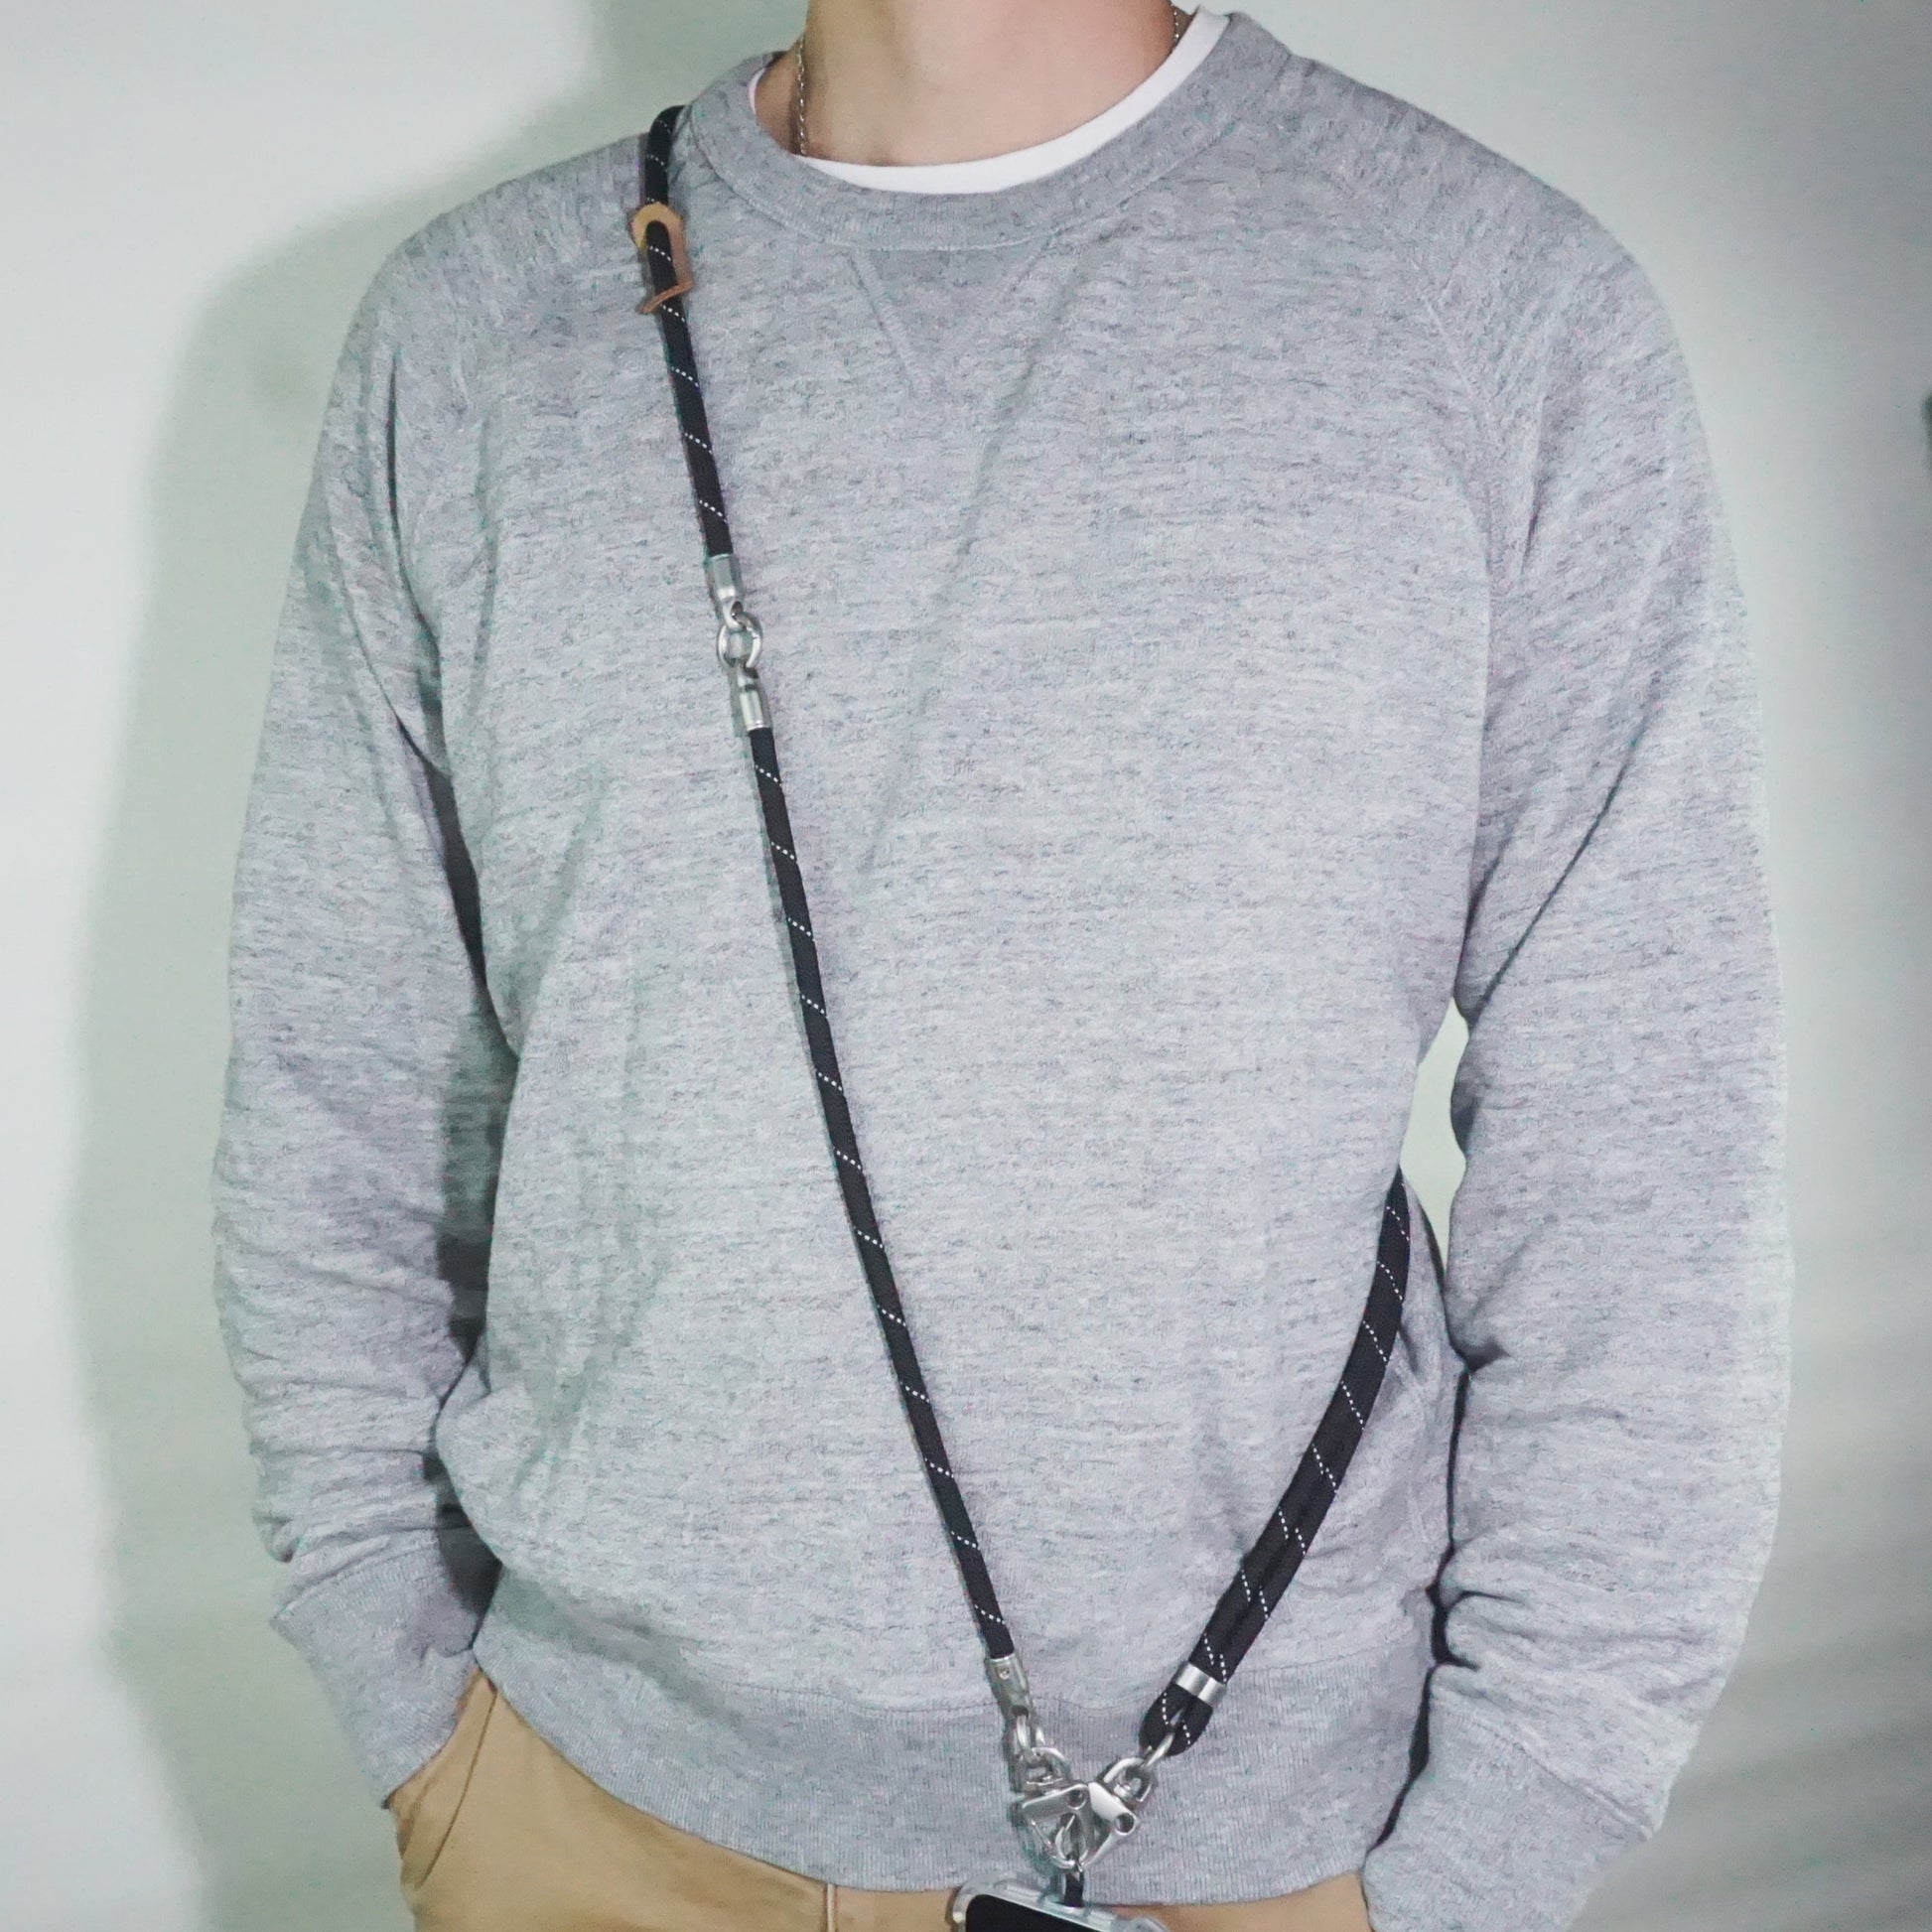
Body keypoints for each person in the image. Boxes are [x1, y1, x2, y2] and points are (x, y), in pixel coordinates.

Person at [209, 3, 1792, 1929]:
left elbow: (1645, 1151)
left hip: (1277, 1856)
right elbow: (342, 1090)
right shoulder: (472, 337)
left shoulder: (1496, 312)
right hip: (575, 1814)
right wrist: (413, 1709)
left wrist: (1497, 1847)